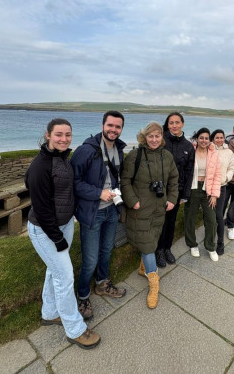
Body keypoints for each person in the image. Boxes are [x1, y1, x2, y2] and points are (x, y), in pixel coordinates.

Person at [25, 118, 100, 349]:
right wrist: (57, 239)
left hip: (64, 224)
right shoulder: (41, 166)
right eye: (59, 134)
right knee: (65, 277)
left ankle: (50, 313)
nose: (64, 139)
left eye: (68, 134)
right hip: (46, 230)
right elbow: (42, 208)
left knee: (54, 271)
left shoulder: (62, 157)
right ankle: (75, 329)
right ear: (48, 135)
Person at [70, 111, 127, 321]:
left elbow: (116, 179)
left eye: (118, 127)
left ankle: (103, 284)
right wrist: (97, 193)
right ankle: (83, 296)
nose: (113, 130)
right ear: (102, 125)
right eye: (110, 125)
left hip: (112, 209)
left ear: (122, 129)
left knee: (105, 252)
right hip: (93, 213)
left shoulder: (119, 149)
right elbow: (73, 182)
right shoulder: (86, 150)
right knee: (90, 259)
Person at [120, 121, 179, 309]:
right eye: (150, 136)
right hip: (140, 209)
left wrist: (172, 199)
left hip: (160, 209)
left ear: (162, 137)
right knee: (148, 247)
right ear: (144, 137)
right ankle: (154, 283)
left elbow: (174, 180)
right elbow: (125, 181)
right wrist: (132, 201)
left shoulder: (167, 156)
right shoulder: (134, 156)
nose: (154, 139)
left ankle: (143, 268)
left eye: (157, 136)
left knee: (152, 240)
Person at [155, 112, 195, 268]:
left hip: (176, 191)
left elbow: (189, 171)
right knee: (160, 222)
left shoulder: (187, 146)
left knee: (171, 222)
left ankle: (167, 249)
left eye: (177, 122)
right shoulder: (160, 140)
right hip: (159, 190)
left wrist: (185, 194)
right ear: (168, 124)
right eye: (171, 123)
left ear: (183, 124)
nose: (174, 125)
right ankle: (158, 250)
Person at [184, 128, 222, 261]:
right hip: (193, 188)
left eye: (206, 138)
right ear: (197, 138)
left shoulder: (213, 154)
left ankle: (210, 246)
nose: (204, 140)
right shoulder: (190, 151)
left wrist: (214, 195)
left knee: (211, 220)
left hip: (208, 189)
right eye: (201, 138)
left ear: (209, 140)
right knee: (190, 217)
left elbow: (217, 175)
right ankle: (192, 244)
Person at [210, 129, 234, 255]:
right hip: (208, 187)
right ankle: (209, 238)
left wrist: (225, 178)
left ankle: (220, 242)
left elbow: (232, 168)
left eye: (221, 137)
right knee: (209, 214)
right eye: (216, 137)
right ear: (213, 138)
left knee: (219, 215)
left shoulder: (229, 152)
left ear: (224, 138)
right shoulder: (208, 149)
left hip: (222, 186)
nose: (219, 139)